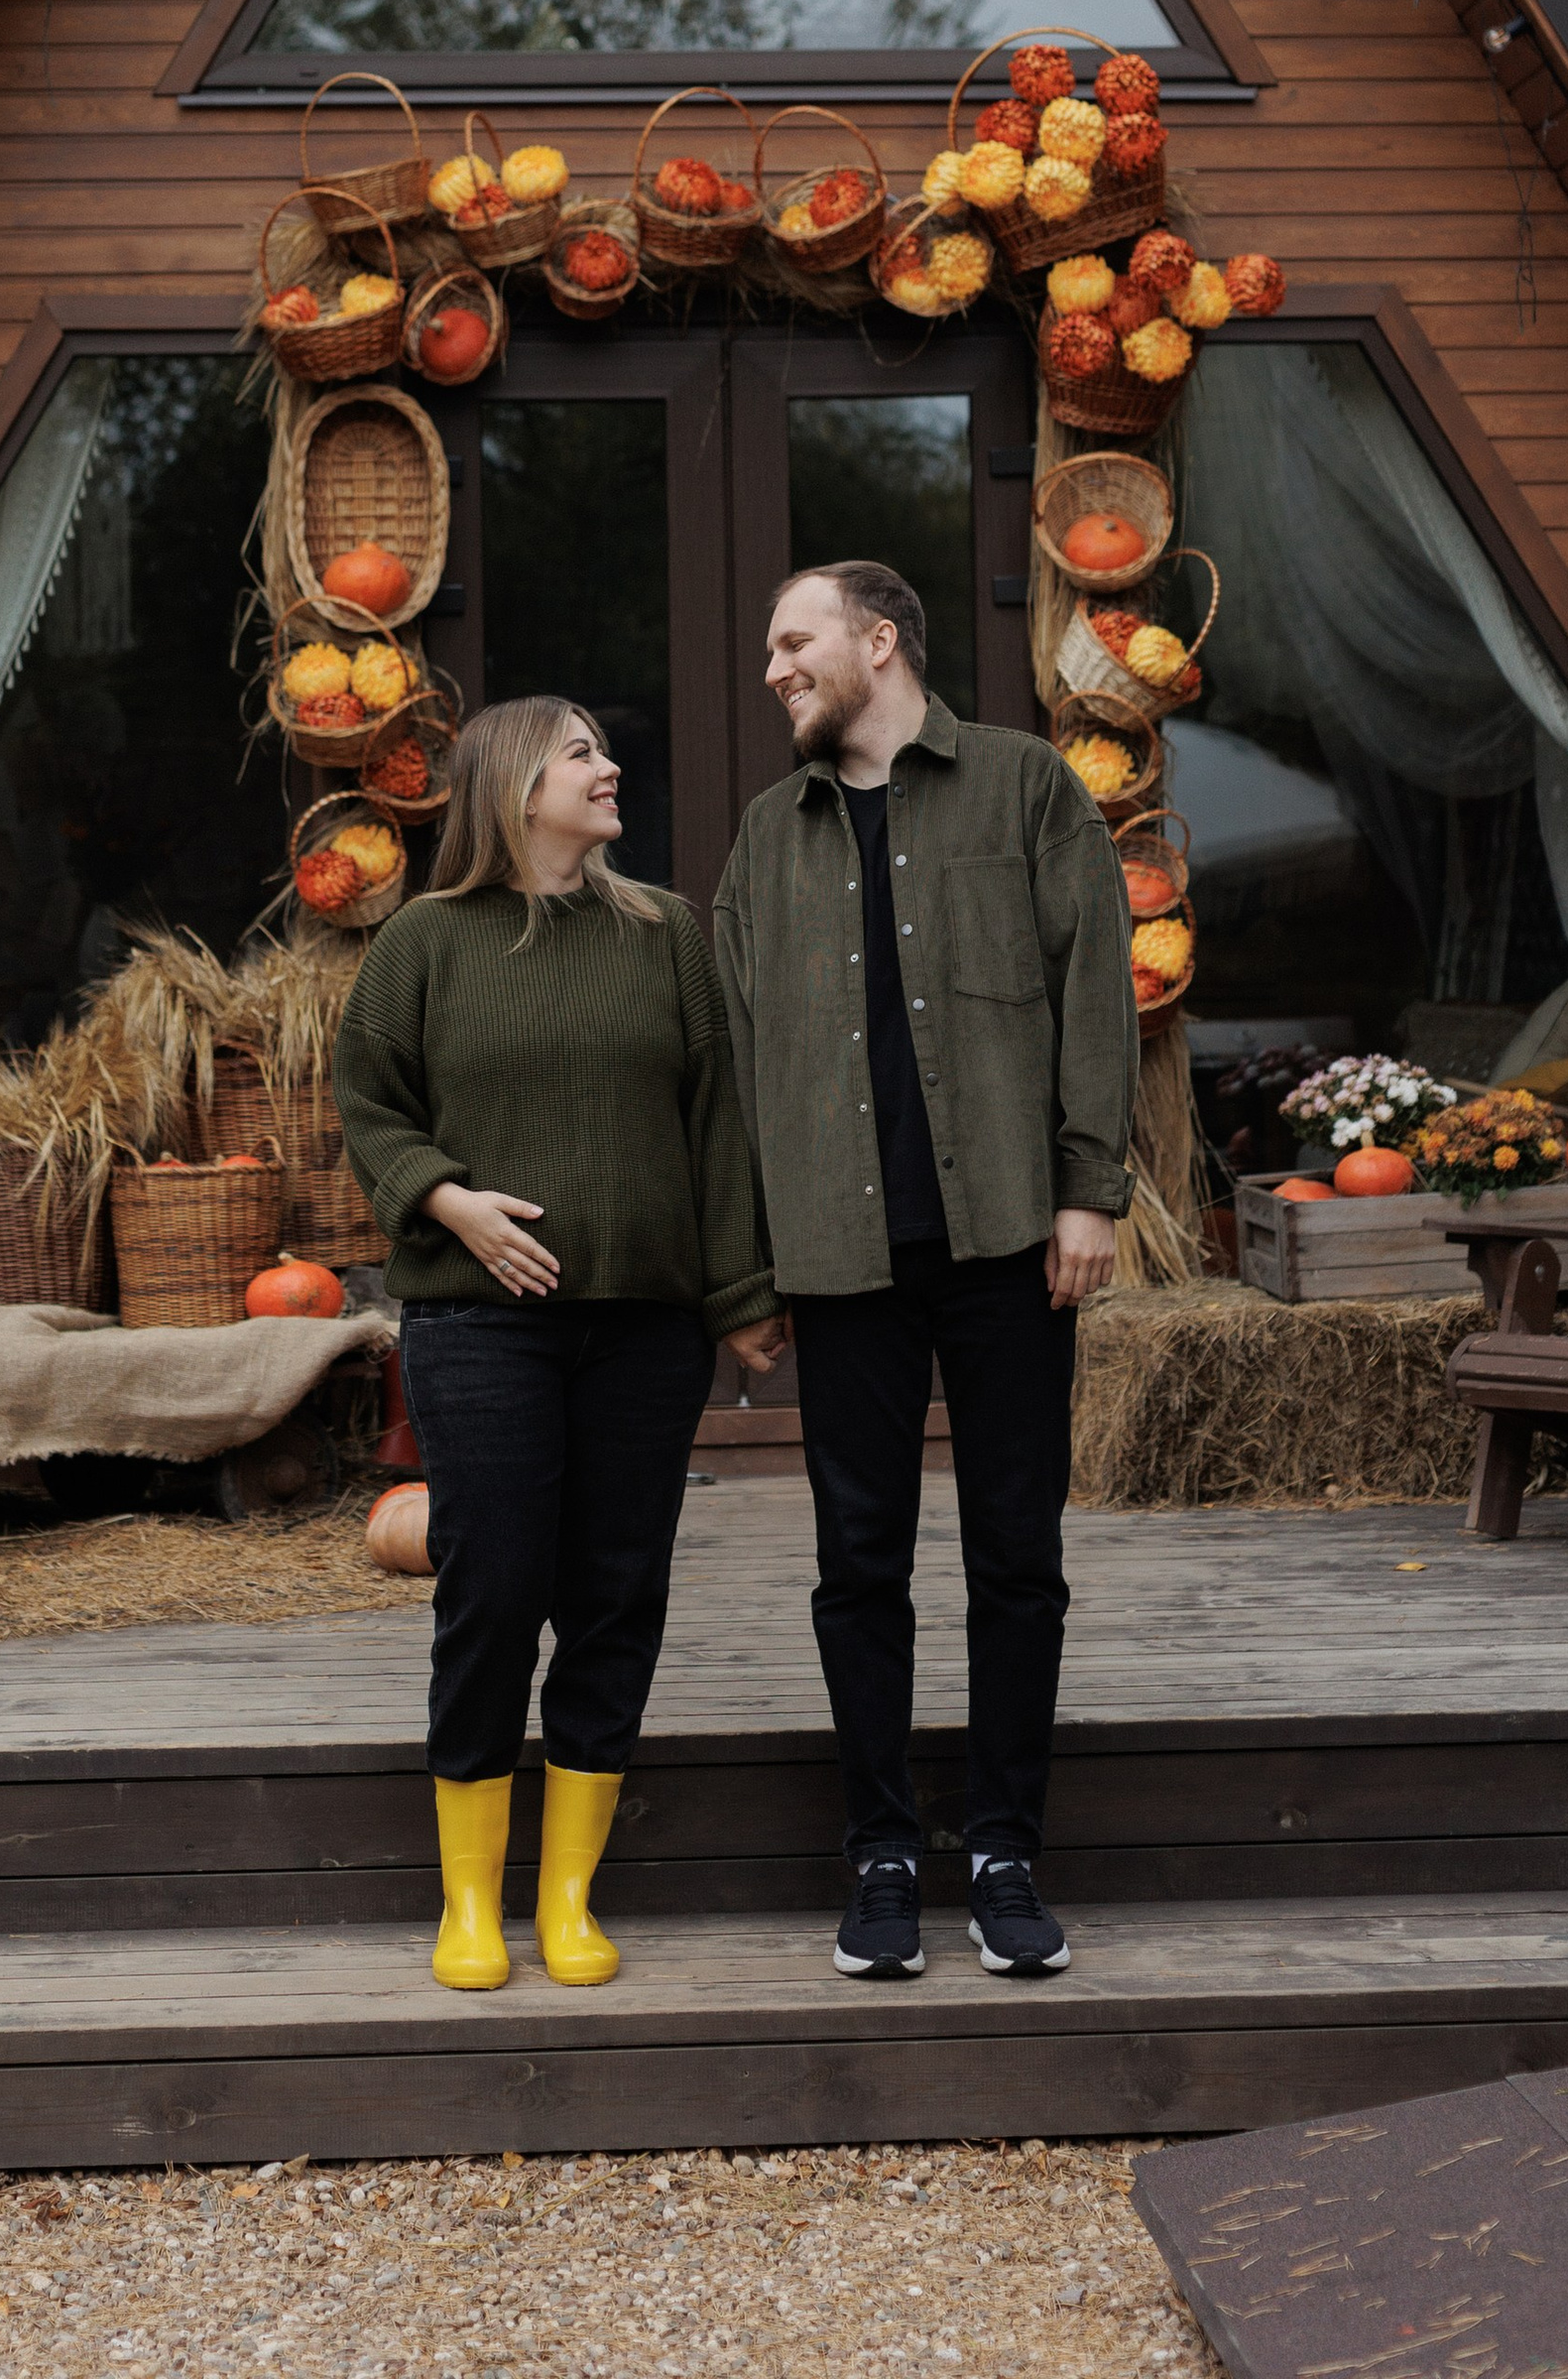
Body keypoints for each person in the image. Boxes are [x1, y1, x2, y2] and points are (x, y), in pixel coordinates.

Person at [714, 560, 1135, 1985]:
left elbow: (1096, 989)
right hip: (838, 1258)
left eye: (794, 641)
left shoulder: (1025, 789)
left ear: (876, 641)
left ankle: (1006, 1851)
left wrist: (1090, 1189)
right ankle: (883, 1853)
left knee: (1020, 1559)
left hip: (1013, 1241)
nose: (773, 668)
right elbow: (731, 1063)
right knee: (858, 1565)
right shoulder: (768, 836)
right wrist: (746, 1270)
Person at [335, 694, 785, 1994]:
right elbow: (366, 1093)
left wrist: (740, 1290)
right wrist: (446, 1195)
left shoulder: (666, 934)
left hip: (645, 1329)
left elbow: (716, 1120)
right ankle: (468, 1903)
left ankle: (567, 1897)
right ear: (511, 785)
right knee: (494, 1586)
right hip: (483, 1325)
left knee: (616, 1593)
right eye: (581, 750)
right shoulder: (424, 942)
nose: (610, 766)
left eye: (604, 747)